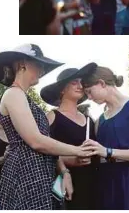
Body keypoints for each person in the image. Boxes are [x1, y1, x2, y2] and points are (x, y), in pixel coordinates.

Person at [0, 44, 93, 209]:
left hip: (37, 173)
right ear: (22, 63)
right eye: (39, 64)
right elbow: (36, 141)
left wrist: (64, 172)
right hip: (24, 173)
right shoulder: (13, 94)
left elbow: (45, 143)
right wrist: (78, 150)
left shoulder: (23, 97)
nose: (43, 69)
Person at [81, 66, 129, 209]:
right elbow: (100, 155)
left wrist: (109, 152)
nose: (89, 98)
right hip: (106, 185)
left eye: (89, 92)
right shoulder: (99, 121)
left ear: (102, 83)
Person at [41, 64, 99, 210]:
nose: (80, 86)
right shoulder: (51, 117)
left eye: (81, 82)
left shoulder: (89, 120)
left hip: (91, 183)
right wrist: (70, 162)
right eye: (74, 82)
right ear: (62, 90)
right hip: (62, 184)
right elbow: (42, 152)